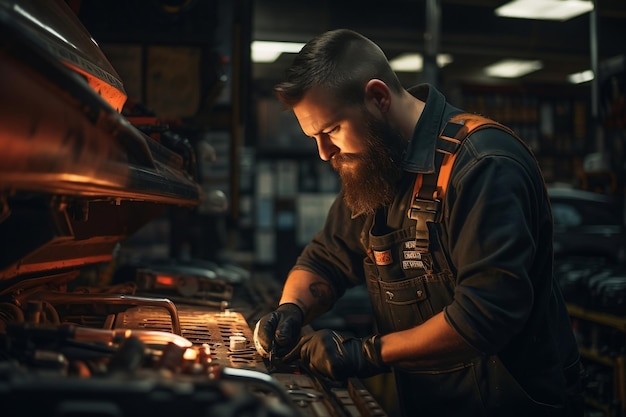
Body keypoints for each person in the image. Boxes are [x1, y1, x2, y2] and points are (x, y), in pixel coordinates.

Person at [253, 28, 584, 417]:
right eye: (314, 137)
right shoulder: (375, 164)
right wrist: (291, 310)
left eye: (331, 131)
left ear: (378, 98)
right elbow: (327, 258)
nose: (325, 153)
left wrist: (365, 353)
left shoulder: (483, 166)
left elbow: (484, 316)